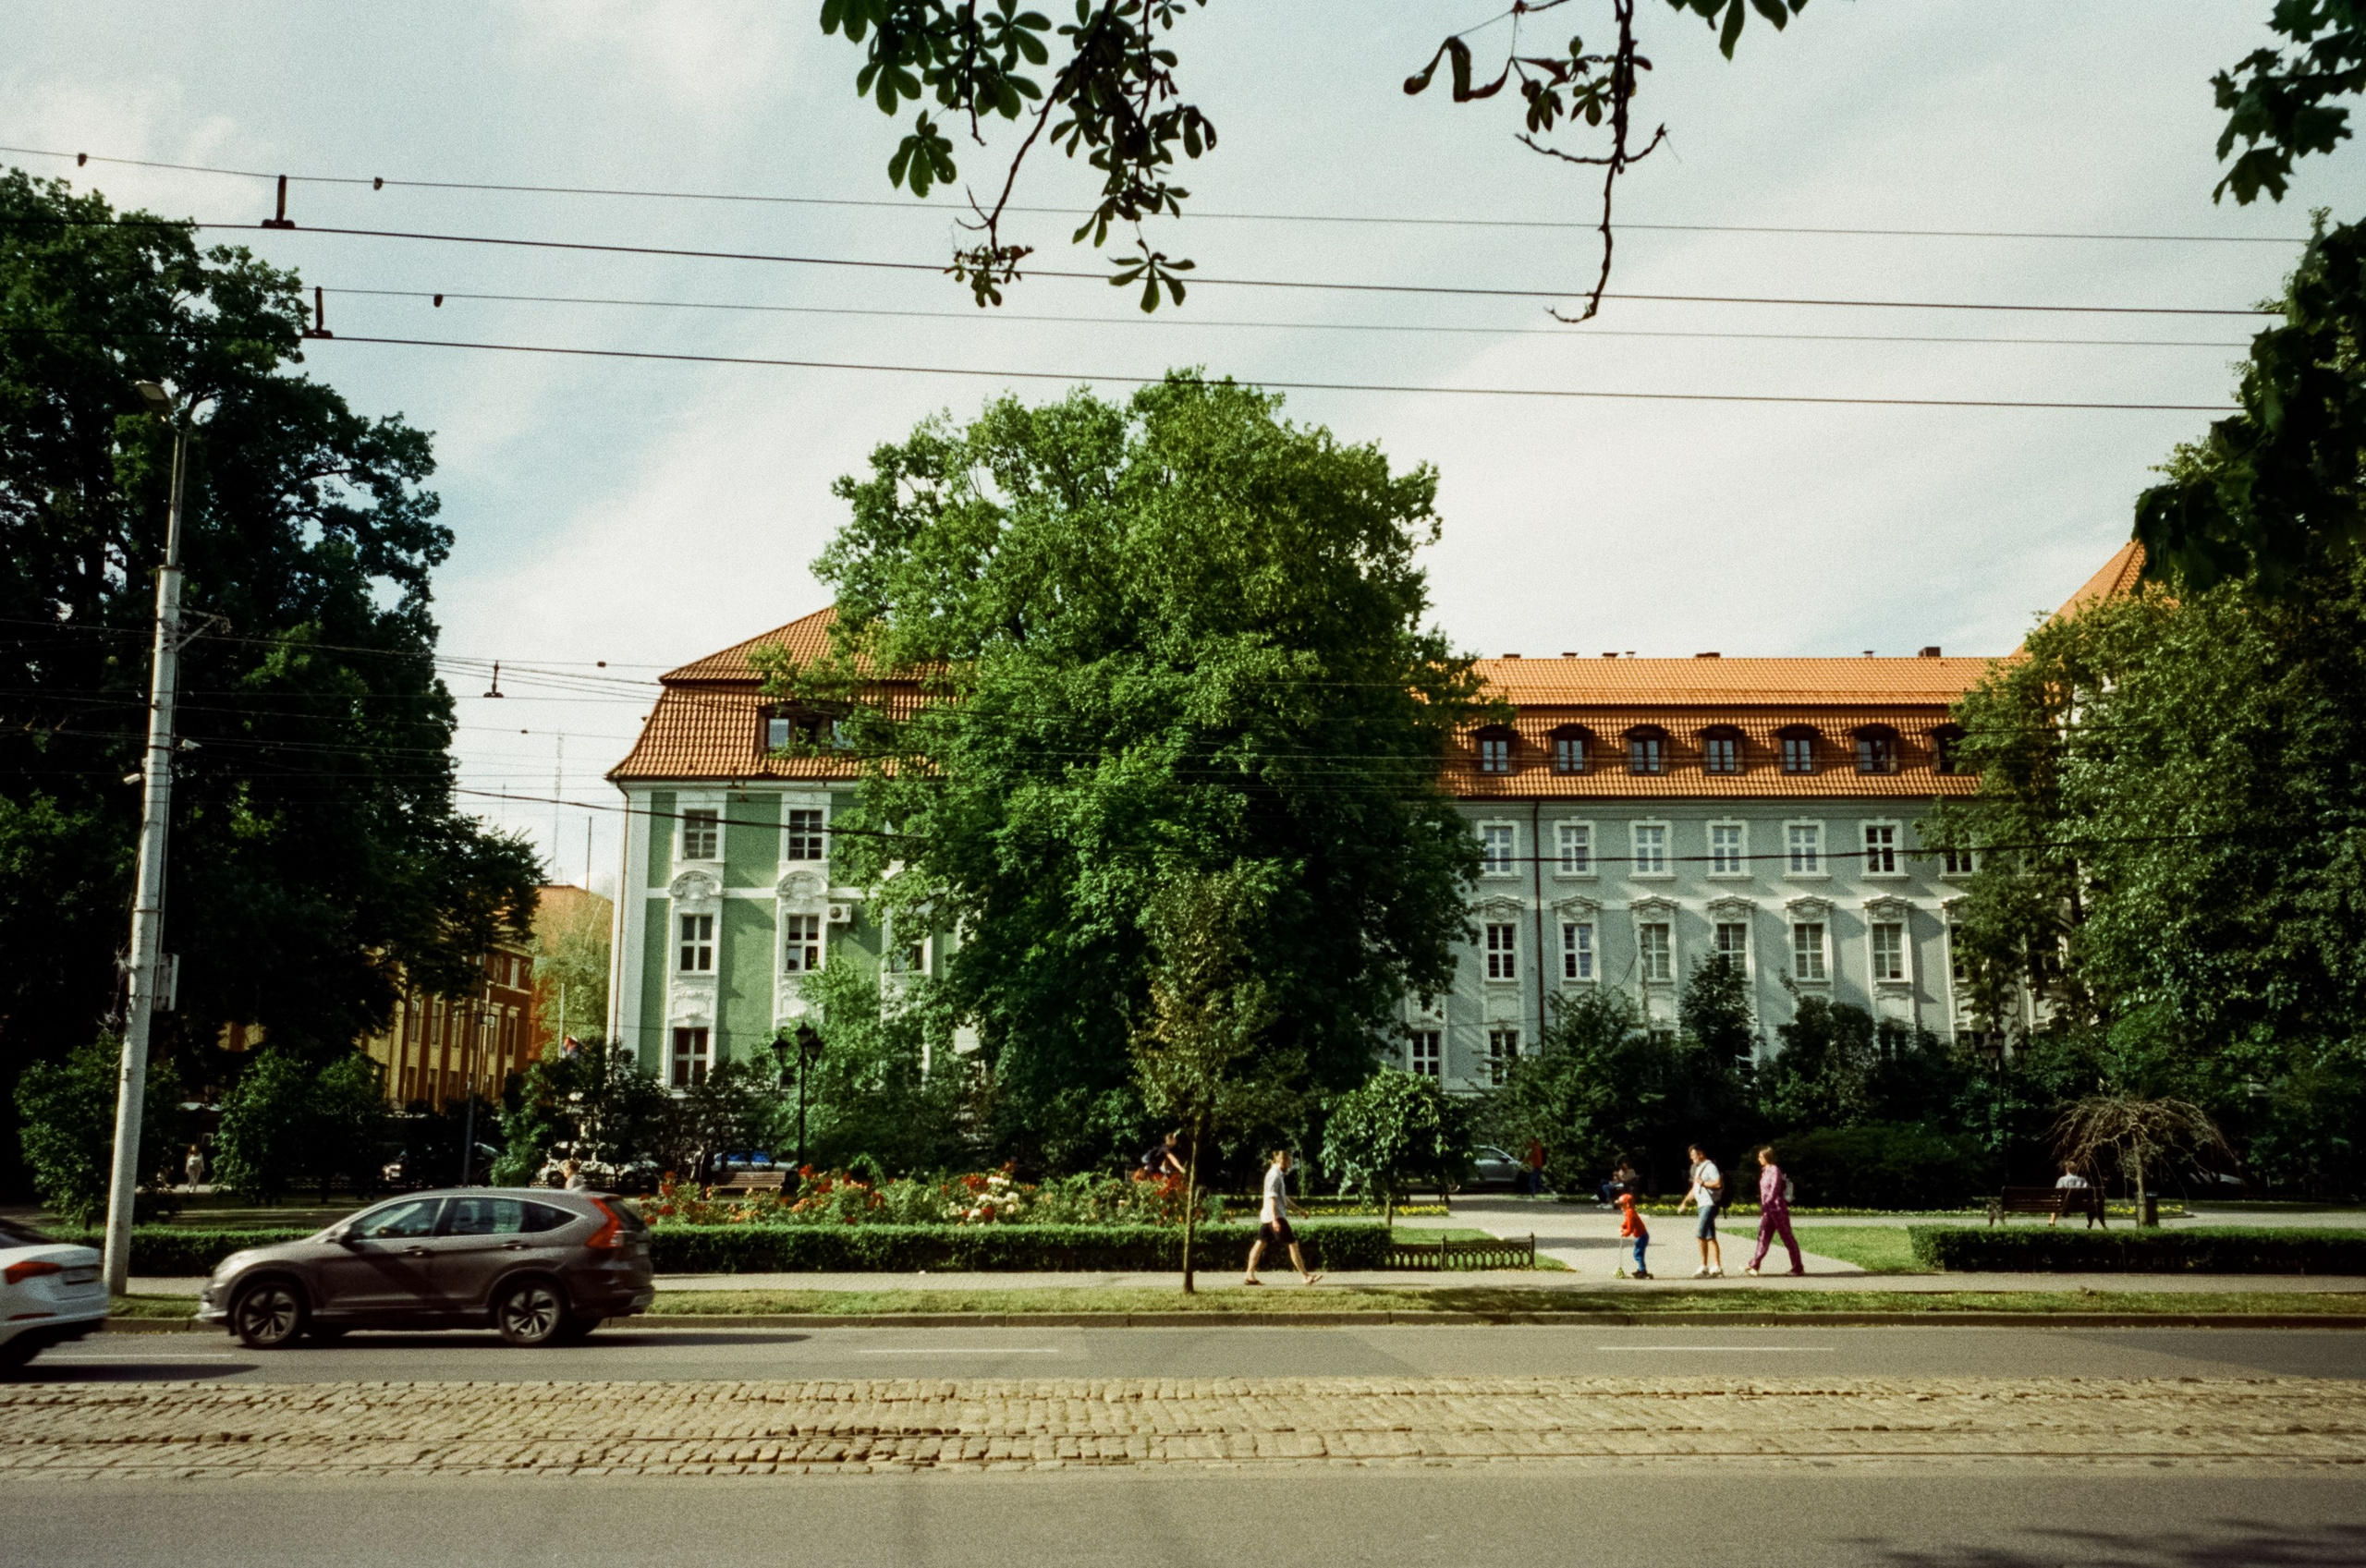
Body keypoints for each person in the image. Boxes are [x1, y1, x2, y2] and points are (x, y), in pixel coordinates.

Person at [1243, 1149, 1323, 1286]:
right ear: (1282, 1161)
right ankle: (1305, 1276)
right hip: (1276, 1216)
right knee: (1293, 1244)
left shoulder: (1275, 1174)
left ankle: (1249, 1274)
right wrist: (1274, 1219)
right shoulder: (1274, 1175)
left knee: (1260, 1243)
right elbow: (1272, 1198)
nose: (1290, 1165)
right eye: (1289, 1162)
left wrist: (1299, 1211)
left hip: (1268, 1216)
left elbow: (1283, 1199)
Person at [1741, 1144, 1805, 1277]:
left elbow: (1774, 1190)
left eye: (1761, 1156)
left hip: (1777, 1210)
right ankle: (1754, 1265)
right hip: (1768, 1211)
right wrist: (1764, 1207)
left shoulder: (1775, 1170)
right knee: (1763, 1236)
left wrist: (1765, 1205)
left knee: (1787, 1238)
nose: (1758, 1159)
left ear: (1767, 1157)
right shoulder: (1765, 1171)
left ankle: (1797, 1267)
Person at [1677, 1142, 1725, 1277]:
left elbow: (1718, 1183)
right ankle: (1717, 1267)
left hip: (1709, 1204)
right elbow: (1695, 1189)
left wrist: (1703, 1182)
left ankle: (1704, 1267)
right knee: (1710, 1236)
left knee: (1700, 1234)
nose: (1692, 1158)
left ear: (1701, 1154)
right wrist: (1685, 1202)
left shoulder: (1710, 1167)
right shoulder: (1699, 1168)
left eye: (1693, 1155)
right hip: (1703, 1204)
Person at [1616, 1191, 1652, 1279]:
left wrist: (1624, 1233)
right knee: (1638, 1254)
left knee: (1638, 1254)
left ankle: (1642, 1271)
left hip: (1641, 1236)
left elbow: (1630, 1228)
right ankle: (1641, 1269)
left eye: (1621, 1205)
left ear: (1627, 1204)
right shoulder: (1630, 1211)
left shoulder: (1630, 1212)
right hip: (1640, 1235)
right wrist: (1623, 1226)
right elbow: (1628, 1222)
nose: (1620, 1207)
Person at [2051, 1161, 2092, 1227]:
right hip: (2079, 1203)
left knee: (2056, 1201)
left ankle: (2052, 1221)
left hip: (2064, 1204)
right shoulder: (2082, 1180)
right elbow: (2088, 1190)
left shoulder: (2062, 1180)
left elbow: (2057, 1191)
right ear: (2076, 1169)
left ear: (2066, 1169)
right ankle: (2090, 1224)